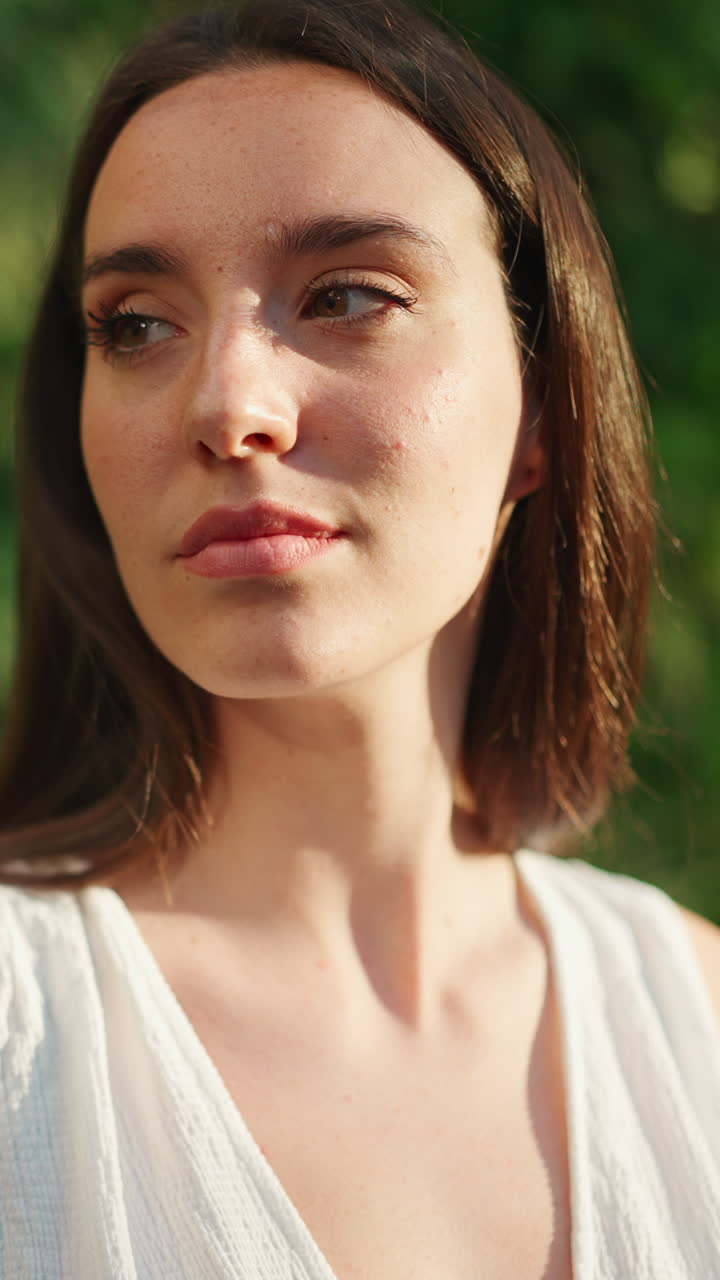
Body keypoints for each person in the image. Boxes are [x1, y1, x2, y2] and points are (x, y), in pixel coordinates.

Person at [0, 0, 718, 1275]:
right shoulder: (23, 1036)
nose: (228, 404)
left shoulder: (698, 1027)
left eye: (345, 295)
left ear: (545, 400)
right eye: (136, 323)